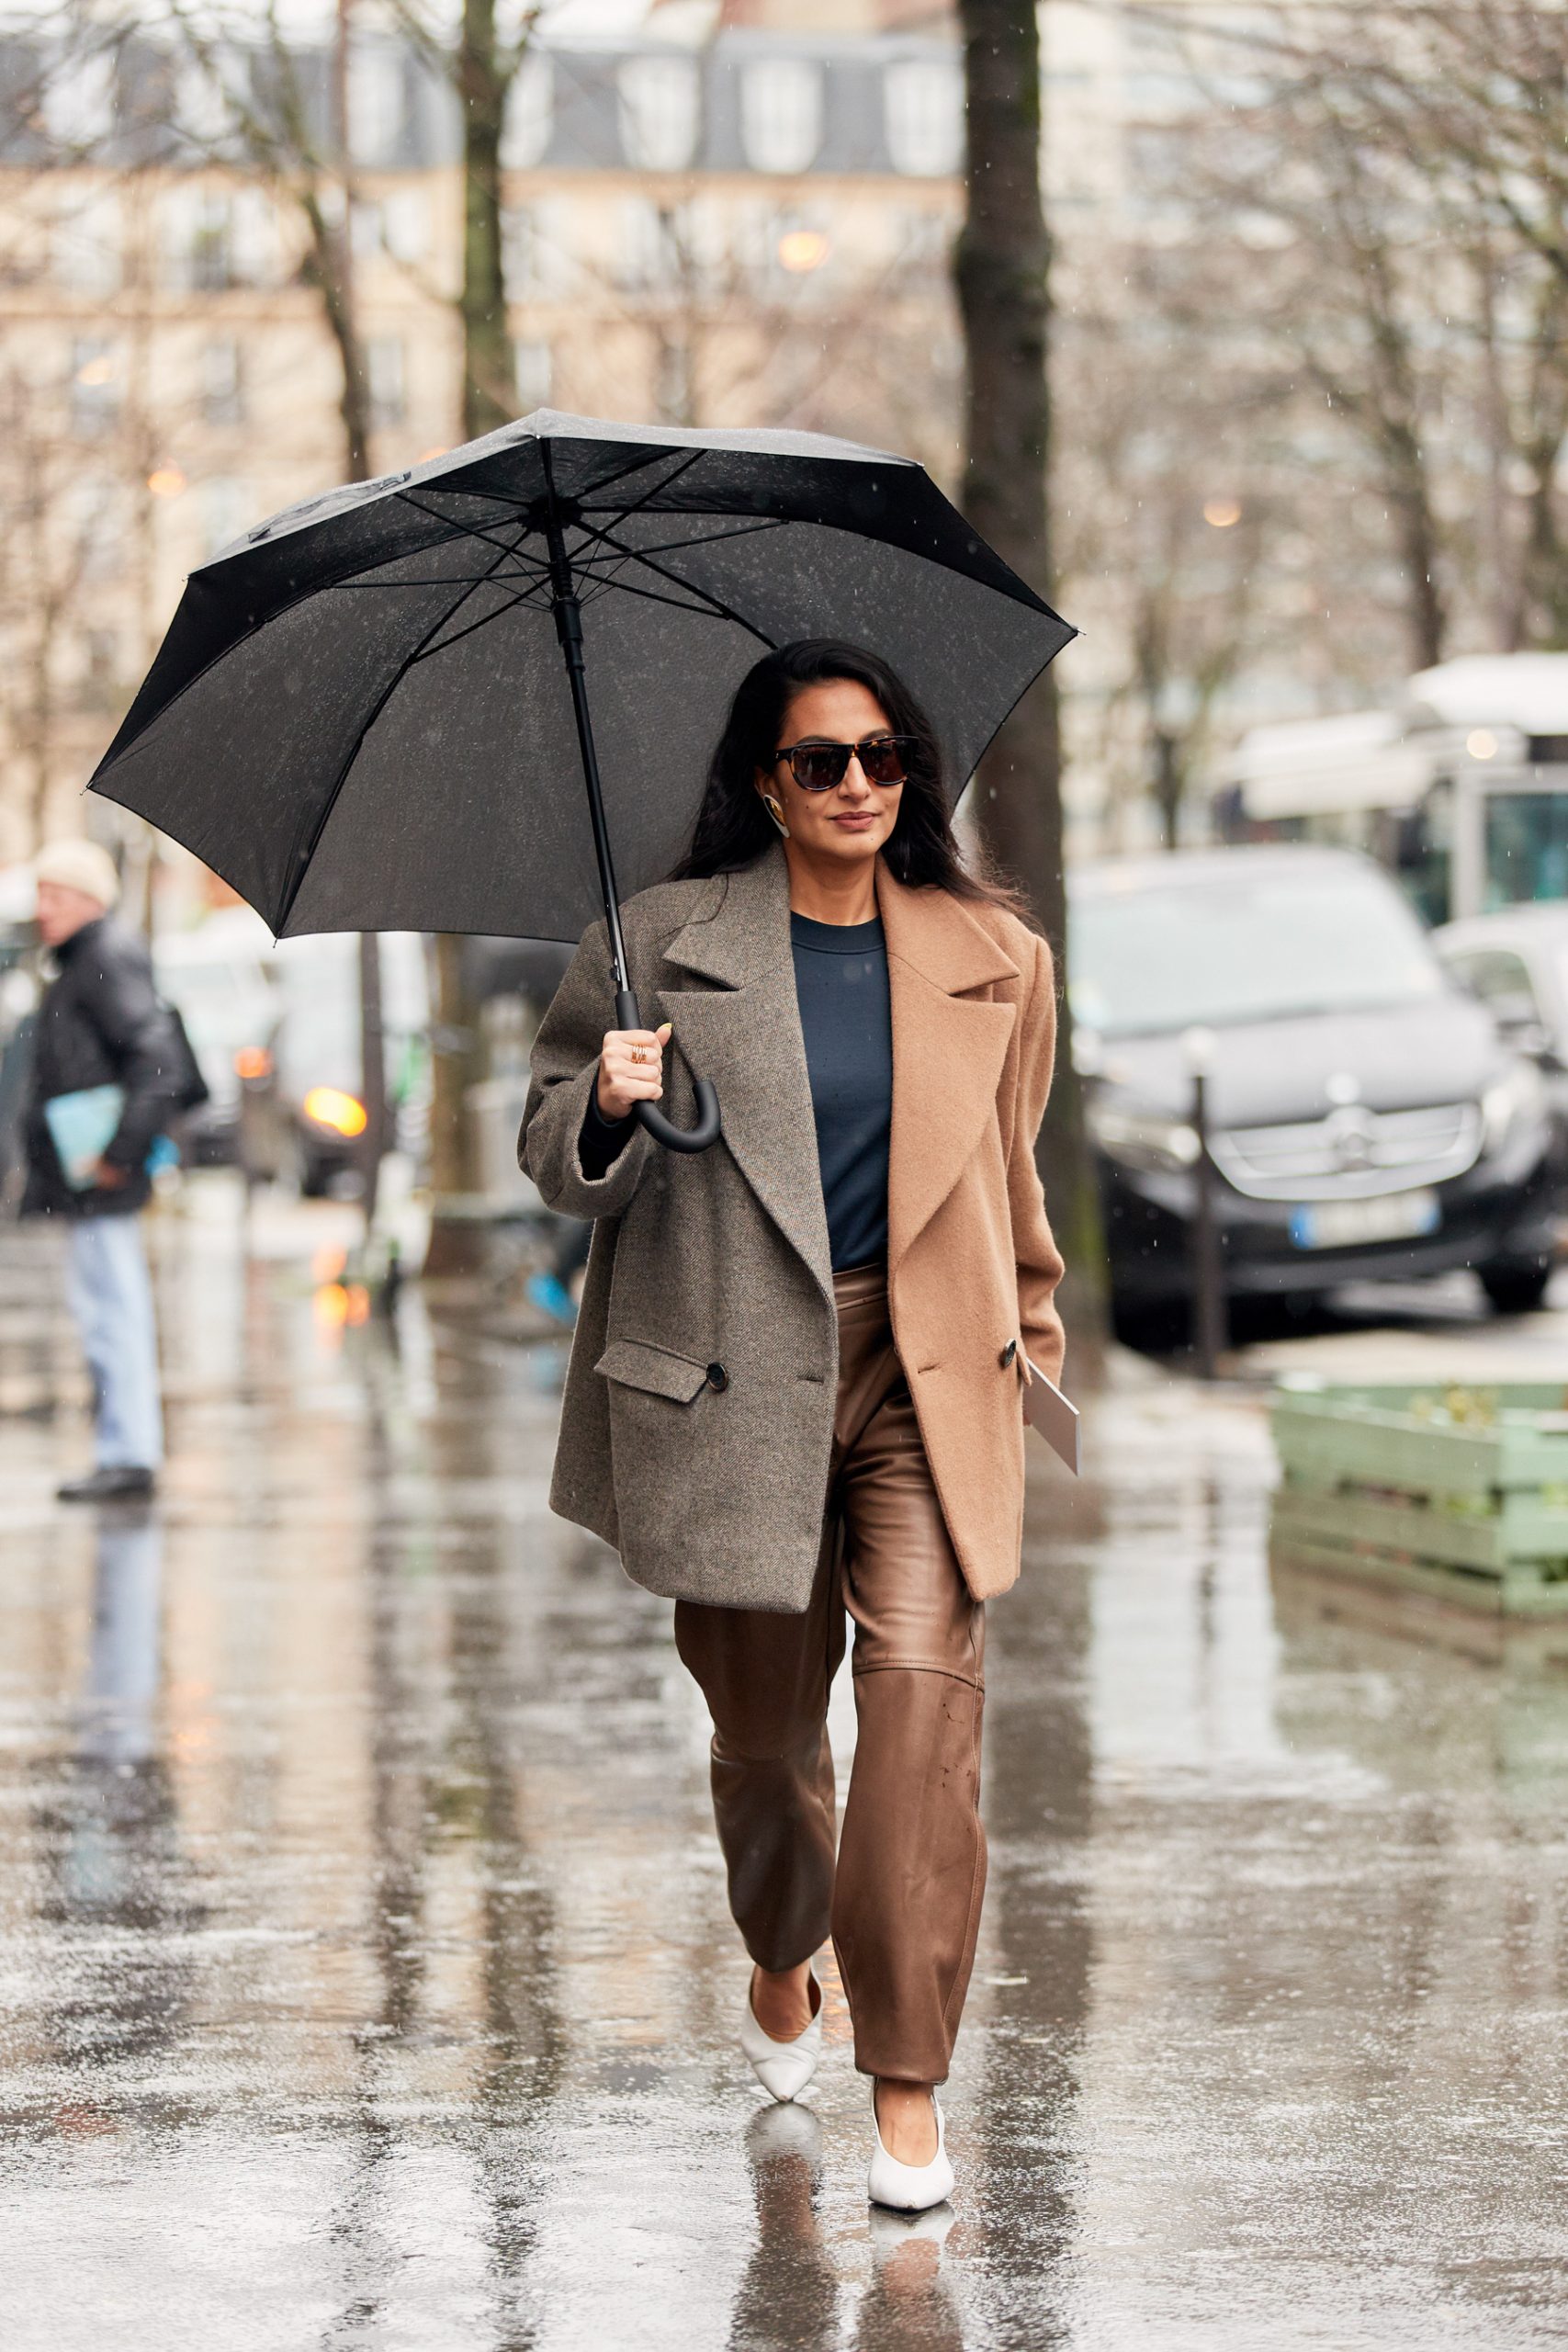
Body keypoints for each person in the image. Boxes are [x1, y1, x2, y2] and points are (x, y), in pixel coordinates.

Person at [522, 639, 1066, 2214]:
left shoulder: (994, 953)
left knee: (918, 1707)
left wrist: (1027, 1346)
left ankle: (905, 2087)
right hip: (732, 1380)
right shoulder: (654, 945)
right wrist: (610, 1098)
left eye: (884, 757)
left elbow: (1011, 1181)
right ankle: (781, 1951)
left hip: (922, 1373)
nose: (854, 787)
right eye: (821, 760)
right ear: (764, 777)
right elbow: (553, 1156)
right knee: (766, 1747)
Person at [22, 839, 180, 1503]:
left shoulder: (103, 956)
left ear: (90, 899)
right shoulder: (84, 960)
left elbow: (155, 1058)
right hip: (90, 1172)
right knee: (105, 1310)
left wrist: (118, 1154)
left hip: (102, 1173)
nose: (42, 909)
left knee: (113, 1312)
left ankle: (129, 1453)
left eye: (54, 895)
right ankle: (122, 1449)